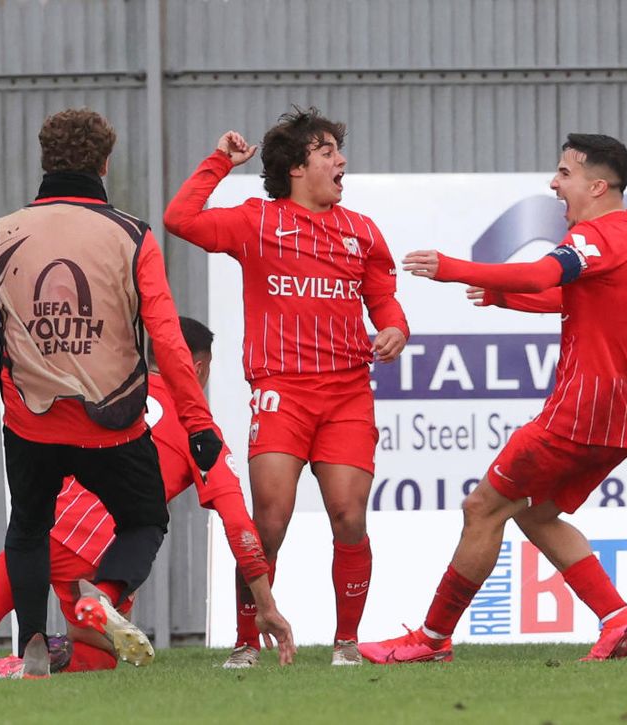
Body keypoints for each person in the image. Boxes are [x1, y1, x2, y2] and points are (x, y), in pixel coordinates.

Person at [0, 108, 225, 678]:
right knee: (145, 521)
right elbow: (166, 334)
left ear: (45, 160)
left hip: (31, 424)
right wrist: (199, 424)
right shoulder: (132, 235)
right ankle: (106, 593)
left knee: (28, 528)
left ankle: (35, 642)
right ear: (105, 163)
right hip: (111, 427)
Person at [359, 133, 627, 664]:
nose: (553, 182)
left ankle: (431, 639)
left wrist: (453, 268)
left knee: (483, 508)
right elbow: (579, 301)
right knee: (534, 512)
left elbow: (543, 273)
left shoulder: (597, 237)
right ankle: (620, 619)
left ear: (596, 185)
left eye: (564, 173)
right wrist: (503, 298)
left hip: (579, 411)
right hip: (621, 415)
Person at [164, 107, 409, 666]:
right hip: (282, 390)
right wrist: (219, 162)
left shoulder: (363, 232)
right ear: (298, 168)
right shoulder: (256, 221)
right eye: (327, 152)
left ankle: (346, 643)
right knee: (269, 521)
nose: (341, 161)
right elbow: (180, 218)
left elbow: (384, 298)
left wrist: (395, 327)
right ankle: (246, 644)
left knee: (349, 515)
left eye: (337, 152)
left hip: (347, 391)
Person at [0, 317, 295, 677]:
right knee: (99, 658)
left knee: (27, 539)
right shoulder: (199, 428)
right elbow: (236, 520)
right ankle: (86, 618)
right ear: (197, 368)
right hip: (106, 553)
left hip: (54, 520)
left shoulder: (107, 390)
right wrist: (266, 604)